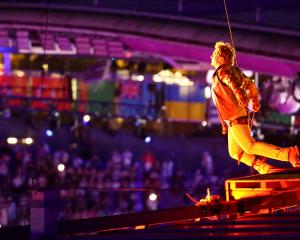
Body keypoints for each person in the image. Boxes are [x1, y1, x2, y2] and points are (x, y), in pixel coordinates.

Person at [210, 41, 299, 174]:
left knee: (249, 146)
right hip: (234, 117)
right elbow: (250, 85)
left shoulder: (222, 71)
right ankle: (264, 168)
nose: (211, 57)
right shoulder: (232, 70)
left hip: (235, 116)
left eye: (214, 54)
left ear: (221, 57)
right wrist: (254, 99)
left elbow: (232, 82)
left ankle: (288, 154)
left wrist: (241, 95)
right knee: (235, 152)